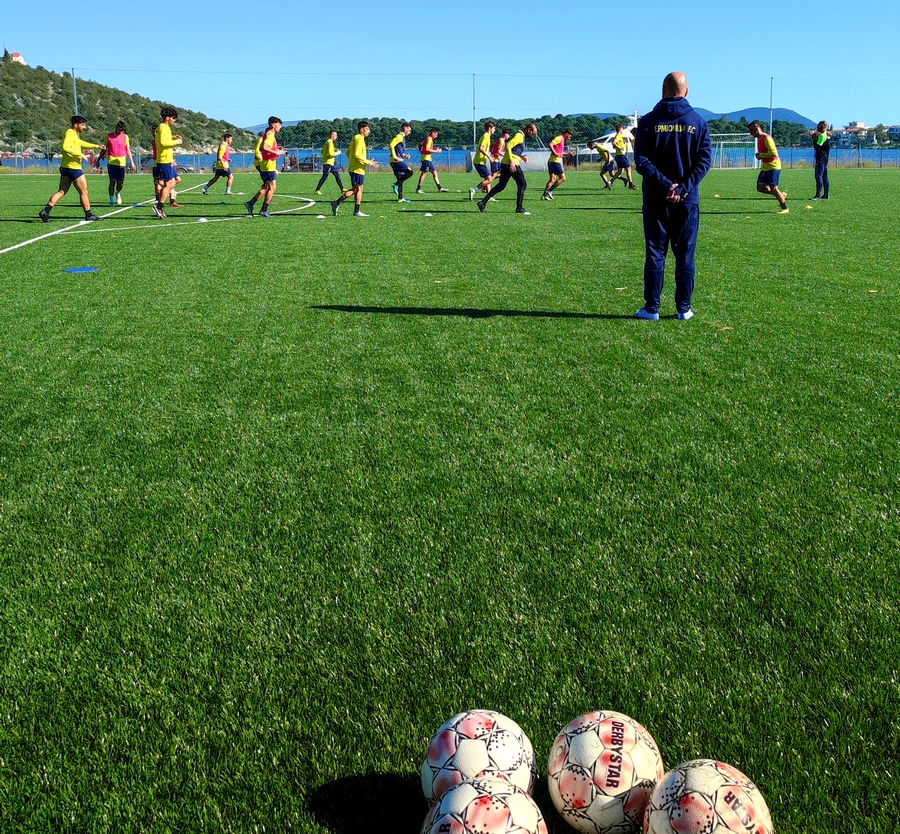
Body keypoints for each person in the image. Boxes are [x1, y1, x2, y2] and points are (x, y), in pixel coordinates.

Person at [633, 71, 712, 321]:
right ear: (686, 91)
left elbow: (641, 161)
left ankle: (651, 308)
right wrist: (682, 187)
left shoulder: (648, 122)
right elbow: (704, 161)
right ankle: (683, 308)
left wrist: (666, 185)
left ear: (663, 90)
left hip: (656, 198)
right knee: (685, 254)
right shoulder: (698, 122)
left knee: (655, 252)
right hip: (687, 200)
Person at [39, 115, 102, 222]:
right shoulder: (70, 133)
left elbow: (81, 143)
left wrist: (97, 146)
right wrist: (80, 154)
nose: (84, 127)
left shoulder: (74, 135)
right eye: (83, 125)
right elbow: (65, 147)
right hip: (74, 169)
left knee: (62, 191)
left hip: (65, 168)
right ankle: (89, 215)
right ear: (76, 125)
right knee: (84, 192)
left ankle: (46, 211)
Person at [477, 123, 537, 215]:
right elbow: (509, 145)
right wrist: (512, 161)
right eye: (532, 133)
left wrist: (521, 156)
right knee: (522, 184)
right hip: (512, 164)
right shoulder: (520, 136)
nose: (532, 136)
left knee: (501, 186)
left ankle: (483, 202)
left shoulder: (520, 136)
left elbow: (513, 149)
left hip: (505, 163)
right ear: (529, 129)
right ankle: (519, 208)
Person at [331, 121, 379, 217]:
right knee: (359, 188)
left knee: (356, 189)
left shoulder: (356, 138)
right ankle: (356, 211)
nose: (369, 131)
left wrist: (353, 161)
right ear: (362, 129)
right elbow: (357, 155)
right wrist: (369, 162)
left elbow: (348, 152)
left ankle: (337, 203)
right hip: (357, 169)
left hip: (355, 168)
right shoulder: (359, 139)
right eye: (367, 129)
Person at [245, 116, 283, 218]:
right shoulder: (270, 135)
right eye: (279, 125)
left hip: (268, 164)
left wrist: (276, 149)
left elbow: (265, 148)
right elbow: (265, 147)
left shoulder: (269, 135)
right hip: (268, 165)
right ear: (273, 125)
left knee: (268, 187)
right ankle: (263, 209)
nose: (280, 127)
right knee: (271, 188)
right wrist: (276, 152)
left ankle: (251, 203)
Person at [748, 120, 788, 214]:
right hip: (766, 167)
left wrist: (761, 155)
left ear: (756, 129)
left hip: (773, 166)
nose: (751, 134)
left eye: (751, 131)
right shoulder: (759, 139)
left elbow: (774, 153)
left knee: (774, 188)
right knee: (760, 187)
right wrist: (760, 156)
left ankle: (785, 208)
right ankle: (781, 195)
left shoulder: (767, 138)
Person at [152, 107, 183, 219]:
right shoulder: (163, 127)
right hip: (163, 160)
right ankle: (159, 206)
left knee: (174, 181)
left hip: (167, 160)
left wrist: (172, 137)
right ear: (167, 118)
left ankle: (159, 204)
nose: (174, 120)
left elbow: (162, 138)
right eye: (173, 118)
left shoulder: (164, 128)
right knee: (169, 184)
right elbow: (163, 142)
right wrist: (176, 141)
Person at [99, 121, 135, 206]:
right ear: (116, 128)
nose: (120, 132)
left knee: (120, 183)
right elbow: (104, 148)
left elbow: (127, 150)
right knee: (112, 181)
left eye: (122, 130)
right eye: (119, 130)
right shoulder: (108, 136)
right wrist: (98, 159)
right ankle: (111, 199)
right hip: (111, 162)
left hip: (121, 163)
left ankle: (117, 192)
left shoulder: (125, 137)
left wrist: (132, 162)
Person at [415, 128, 449, 194]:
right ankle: (418, 189)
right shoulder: (429, 139)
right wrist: (436, 151)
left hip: (427, 159)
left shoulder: (427, 138)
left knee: (435, 173)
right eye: (436, 134)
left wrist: (421, 151)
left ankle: (440, 188)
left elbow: (420, 145)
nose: (436, 136)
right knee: (424, 173)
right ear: (433, 133)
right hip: (426, 159)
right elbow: (427, 149)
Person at [543, 128, 573, 200]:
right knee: (563, 178)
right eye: (569, 137)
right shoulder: (559, 138)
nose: (569, 138)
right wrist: (555, 153)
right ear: (567, 134)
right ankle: (549, 191)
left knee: (552, 180)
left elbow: (560, 153)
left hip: (551, 161)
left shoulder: (562, 140)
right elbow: (550, 144)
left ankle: (544, 195)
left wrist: (568, 154)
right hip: (555, 162)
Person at [389, 123, 414, 203]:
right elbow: (391, 145)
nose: (410, 132)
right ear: (405, 129)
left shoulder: (402, 138)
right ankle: (396, 184)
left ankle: (400, 198)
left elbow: (398, 150)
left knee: (400, 178)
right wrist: (395, 157)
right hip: (396, 161)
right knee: (409, 172)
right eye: (409, 130)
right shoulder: (399, 136)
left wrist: (404, 155)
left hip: (395, 161)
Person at [470, 121, 496, 199]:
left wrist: (489, 154)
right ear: (489, 128)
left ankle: (488, 197)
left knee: (487, 179)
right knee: (489, 179)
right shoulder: (486, 136)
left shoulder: (486, 136)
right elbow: (481, 148)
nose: (494, 130)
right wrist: (489, 157)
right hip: (479, 161)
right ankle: (474, 189)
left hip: (479, 161)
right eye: (494, 128)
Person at [315, 130, 345, 195]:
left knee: (336, 175)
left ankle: (342, 189)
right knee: (325, 176)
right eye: (336, 135)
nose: (336, 136)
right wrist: (338, 152)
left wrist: (332, 150)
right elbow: (331, 154)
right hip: (328, 163)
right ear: (332, 135)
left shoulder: (327, 142)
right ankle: (317, 190)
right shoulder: (330, 142)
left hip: (329, 163)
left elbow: (322, 151)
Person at [610, 124, 636, 189]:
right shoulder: (618, 135)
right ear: (620, 129)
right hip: (621, 155)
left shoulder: (619, 136)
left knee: (620, 171)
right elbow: (613, 143)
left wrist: (620, 145)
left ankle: (610, 182)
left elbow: (613, 146)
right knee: (629, 169)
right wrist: (620, 148)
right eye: (622, 129)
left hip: (618, 155)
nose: (623, 130)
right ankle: (630, 184)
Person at [812, 120, 830, 200]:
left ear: (823, 127)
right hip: (825, 159)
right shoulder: (825, 135)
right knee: (824, 177)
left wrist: (814, 139)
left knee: (818, 176)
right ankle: (826, 194)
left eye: (819, 126)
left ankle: (818, 195)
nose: (817, 128)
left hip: (820, 159)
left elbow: (817, 147)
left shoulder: (822, 137)